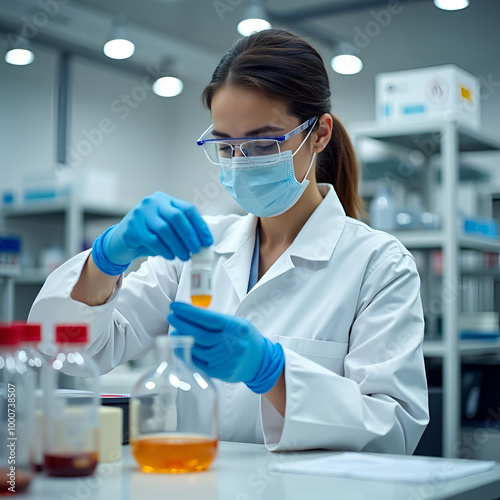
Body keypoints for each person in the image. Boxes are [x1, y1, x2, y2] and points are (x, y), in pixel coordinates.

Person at [29, 28, 429, 453]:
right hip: (196, 483)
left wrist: (271, 370)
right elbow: (63, 348)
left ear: (320, 134)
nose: (240, 164)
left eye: (262, 144)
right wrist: (107, 258)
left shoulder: (378, 265)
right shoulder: (197, 251)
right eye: (225, 146)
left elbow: (394, 431)